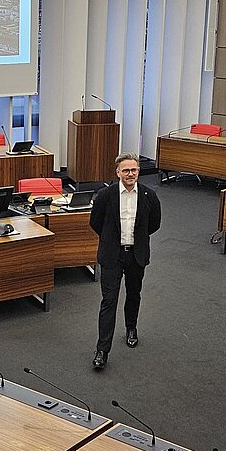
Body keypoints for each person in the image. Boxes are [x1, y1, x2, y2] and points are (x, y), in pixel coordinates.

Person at [89, 153, 161, 371]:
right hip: (112, 255)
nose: (131, 174)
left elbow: (154, 224)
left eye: (134, 170)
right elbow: (96, 223)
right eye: (126, 170)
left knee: (133, 294)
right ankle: (102, 350)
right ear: (118, 172)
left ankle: (131, 328)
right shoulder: (105, 195)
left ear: (139, 171)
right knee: (109, 301)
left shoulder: (149, 195)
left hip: (136, 254)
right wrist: (111, 240)